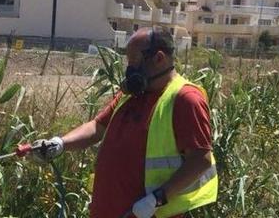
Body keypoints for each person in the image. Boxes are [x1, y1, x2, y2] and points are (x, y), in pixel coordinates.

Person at [19, 27, 217, 218]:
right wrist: (60, 143)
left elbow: (200, 160)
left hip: (145, 213)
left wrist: (156, 200)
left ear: (159, 58)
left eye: (134, 62)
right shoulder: (132, 94)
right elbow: (98, 127)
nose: (129, 70)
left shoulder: (185, 99)